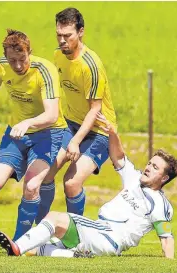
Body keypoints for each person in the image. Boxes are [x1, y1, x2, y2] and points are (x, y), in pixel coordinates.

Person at [0, 112, 177, 259]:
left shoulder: (159, 203)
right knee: (40, 247)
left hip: (109, 237)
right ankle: (74, 255)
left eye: (155, 167)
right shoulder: (134, 178)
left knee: (54, 218)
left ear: (164, 178)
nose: (148, 168)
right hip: (99, 232)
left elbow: (166, 238)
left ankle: (17, 246)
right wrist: (112, 132)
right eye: (149, 163)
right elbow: (119, 157)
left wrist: (169, 264)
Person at [0, 29, 67, 252]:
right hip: (16, 134)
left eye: (22, 59)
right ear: (6, 57)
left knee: (32, 185)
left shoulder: (44, 71)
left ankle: (19, 244)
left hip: (48, 133)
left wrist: (28, 123)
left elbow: (51, 115)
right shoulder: (3, 65)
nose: (17, 65)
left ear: (30, 53)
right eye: (12, 60)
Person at [35, 7, 118, 224]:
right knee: (45, 175)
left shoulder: (91, 66)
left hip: (99, 130)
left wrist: (75, 142)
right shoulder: (57, 56)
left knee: (71, 183)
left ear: (81, 32)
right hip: (71, 124)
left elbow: (95, 109)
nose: (62, 41)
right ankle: (39, 232)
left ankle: (77, 236)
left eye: (67, 36)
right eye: (58, 35)